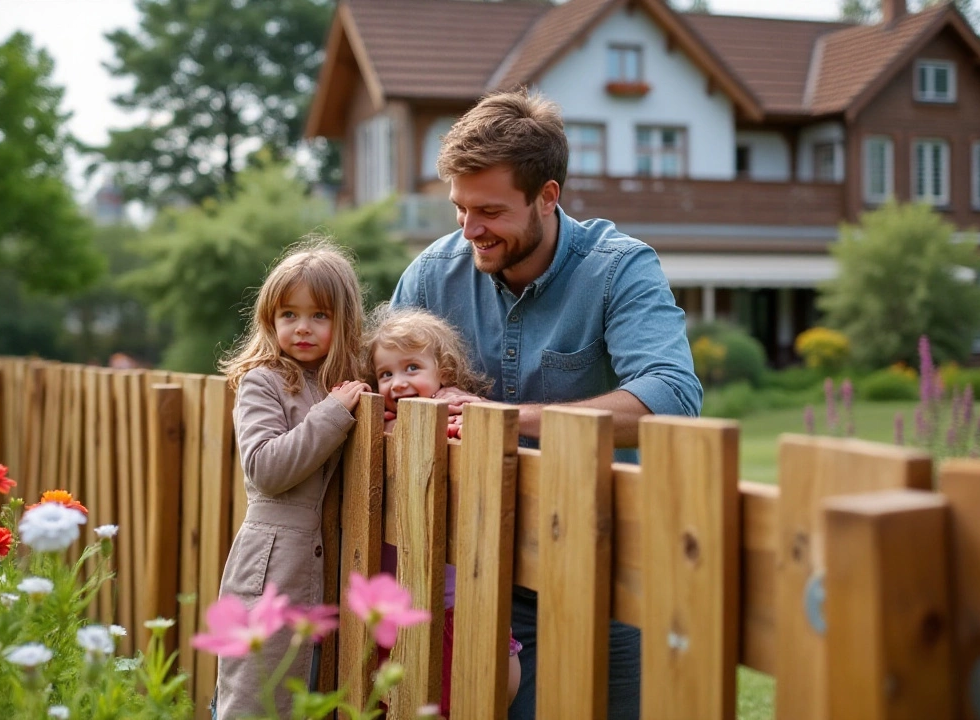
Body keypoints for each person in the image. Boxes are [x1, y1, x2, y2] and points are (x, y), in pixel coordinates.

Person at [390, 89, 703, 720]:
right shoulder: (431, 275)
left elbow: (671, 397)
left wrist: (509, 421)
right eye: (458, 208)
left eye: (490, 211)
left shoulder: (619, 269)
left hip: (599, 568)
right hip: (466, 571)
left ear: (548, 196)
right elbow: (378, 386)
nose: (470, 229)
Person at [215, 239, 371, 719]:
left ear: (343, 320)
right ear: (270, 319)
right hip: (274, 569)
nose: (302, 327)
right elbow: (265, 468)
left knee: (321, 695)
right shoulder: (264, 381)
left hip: (338, 566)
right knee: (258, 695)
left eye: (319, 315)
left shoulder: (350, 381)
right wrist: (330, 414)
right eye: (288, 314)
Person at [363, 304, 522, 715]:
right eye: (386, 374)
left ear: (444, 375)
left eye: (412, 368)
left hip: (453, 604)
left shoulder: (455, 421)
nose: (398, 383)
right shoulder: (373, 428)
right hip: (394, 611)